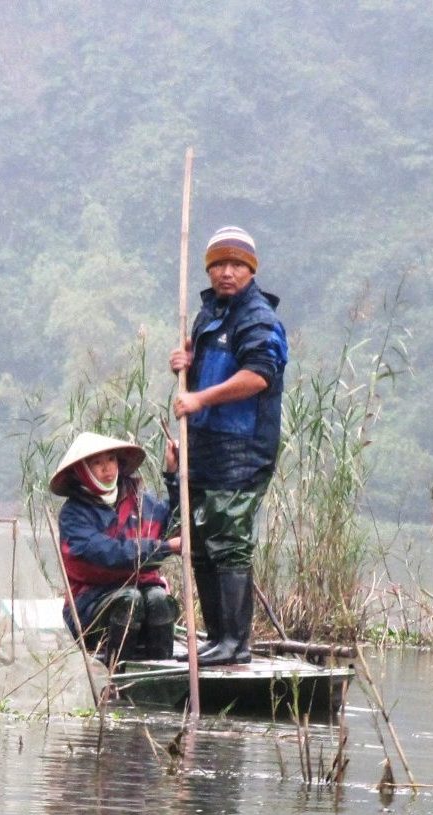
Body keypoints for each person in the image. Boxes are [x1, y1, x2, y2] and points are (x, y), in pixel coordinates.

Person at [169, 226, 288, 666]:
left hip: (243, 448)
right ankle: (217, 637)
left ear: (251, 269)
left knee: (229, 540)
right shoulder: (210, 312)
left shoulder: (257, 318)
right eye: (219, 263)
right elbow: (207, 363)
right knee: (200, 539)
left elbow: (258, 375)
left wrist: (200, 397)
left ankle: (236, 643)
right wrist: (187, 362)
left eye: (237, 264)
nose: (227, 272)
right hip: (205, 444)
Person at [51, 431, 182, 664]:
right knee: (129, 600)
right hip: (90, 605)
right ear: (82, 471)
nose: (107, 468)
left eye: (110, 459)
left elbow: (175, 524)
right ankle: (114, 675)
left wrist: (173, 475)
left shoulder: (140, 499)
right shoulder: (74, 515)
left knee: (159, 599)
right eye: (97, 463)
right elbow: (110, 553)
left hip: (143, 595)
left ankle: (159, 672)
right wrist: (164, 548)